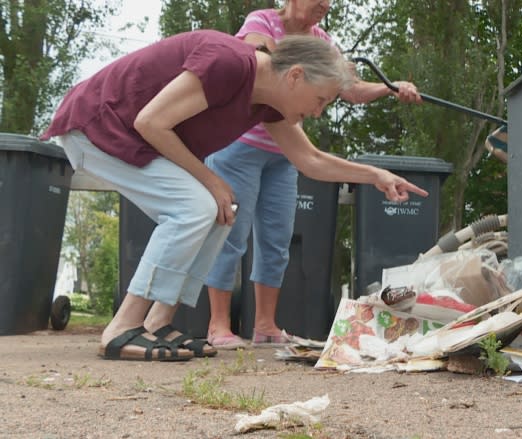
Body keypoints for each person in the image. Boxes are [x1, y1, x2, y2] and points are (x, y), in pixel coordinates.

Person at [42, 30, 428, 361]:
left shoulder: (268, 101)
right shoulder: (229, 63)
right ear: (295, 76)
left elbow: (309, 159)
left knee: (218, 210)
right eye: (321, 99)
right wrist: (210, 179)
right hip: (98, 126)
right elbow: (150, 121)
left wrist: (374, 175)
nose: (318, 112)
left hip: (137, 135)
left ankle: (157, 322)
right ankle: (121, 329)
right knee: (196, 205)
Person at [204, 0, 423, 349]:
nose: (326, 4)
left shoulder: (323, 40)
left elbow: (349, 87)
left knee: (277, 241)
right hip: (240, 145)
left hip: (285, 153)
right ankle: (218, 325)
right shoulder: (261, 21)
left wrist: (389, 86)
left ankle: (265, 325)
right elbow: (255, 55)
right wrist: (311, 62)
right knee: (230, 234)